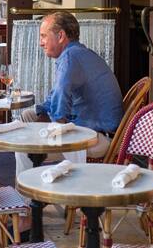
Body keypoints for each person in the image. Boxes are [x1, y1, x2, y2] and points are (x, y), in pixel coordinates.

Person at [17, 11, 124, 162]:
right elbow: (56, 95)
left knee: (24, 148)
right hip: (88, 127)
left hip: (97, 138)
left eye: (43, 36)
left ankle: (28, 184)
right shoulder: (76, 54)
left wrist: (50, 126)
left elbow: (60, 104)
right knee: (28, 116)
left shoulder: (70, 57)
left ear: (60, 36)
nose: (41, 43)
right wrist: (42, 113)